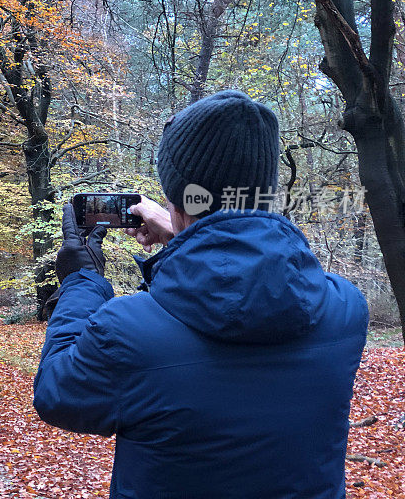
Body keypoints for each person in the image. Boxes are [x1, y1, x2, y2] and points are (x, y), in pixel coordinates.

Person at [33, 90, 368, 499]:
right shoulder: (345, 309)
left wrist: (82, 278)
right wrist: (184, 230)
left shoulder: (127, 332)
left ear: (177, 198)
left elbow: (56, 391)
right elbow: (261, 272)